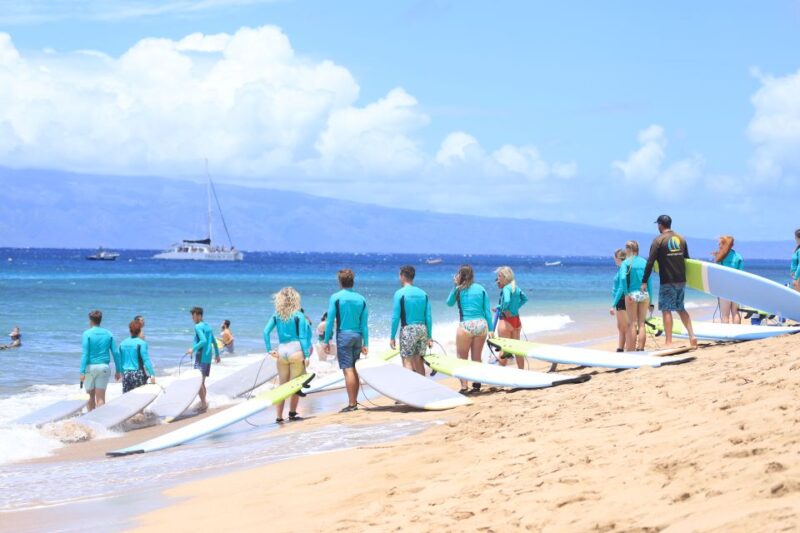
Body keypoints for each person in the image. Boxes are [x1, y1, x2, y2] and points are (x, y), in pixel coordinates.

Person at [641, 215, 698, 348]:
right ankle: (692, 336)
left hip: (667, 280)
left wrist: (644, 281)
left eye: (658, 224)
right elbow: (687, 260)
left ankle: (668, 342)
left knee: (666, 310)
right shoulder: (681, 239)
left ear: (660, 225)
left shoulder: (658, 240)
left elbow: (650, 262)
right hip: (681, 279)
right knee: (680, 308)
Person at [323, 269, 369, 413]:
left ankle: (351, 404)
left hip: (344, 335)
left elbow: (330, 321)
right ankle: (354, 402)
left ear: (340, 282)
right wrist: (366, 343)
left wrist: (326, 340)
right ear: (352, 281)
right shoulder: (361, 299)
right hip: (358, 335)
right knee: (353, 368)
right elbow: (364, 324)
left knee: (348, 369)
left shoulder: (336, 298)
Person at [264, 288, 312, 423]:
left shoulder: (277, 315)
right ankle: (292, 413)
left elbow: (265, 332)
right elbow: (303, 337)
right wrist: (307, 355)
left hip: (281, 351)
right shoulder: (299, 315)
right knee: (295, 384)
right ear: (295, 299)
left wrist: (269, 349)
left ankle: (279, 417)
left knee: (282, 386)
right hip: (296, 351)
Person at [446, 265, 493, 393]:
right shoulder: (481, 289)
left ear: (460, 275)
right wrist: (491, 329)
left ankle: (464, 386)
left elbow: (449, 303)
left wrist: (455, 286)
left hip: (466, 325)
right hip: (481, 324)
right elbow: (487, 311)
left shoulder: (459, 290)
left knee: (462, 357)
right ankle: (476, 384)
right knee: (476, 357)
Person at [389, 265, 433, 376]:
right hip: (422, 329)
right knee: (419, 361)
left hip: (408, 330)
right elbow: (428, 316)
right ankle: (423, 388)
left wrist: (392, 336)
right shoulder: (423, 294)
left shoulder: (400, 293)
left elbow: (395, 317)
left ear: (402, 276)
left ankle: (410, 389)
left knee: (407, 361)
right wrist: (429, 336)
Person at [613, 241, 653, 351]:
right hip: (644, 294)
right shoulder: (645, 262)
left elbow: (622, 279)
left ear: (628, 249)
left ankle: (631, 350)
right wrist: (651, 301)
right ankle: (641, 348)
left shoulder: (626, 263)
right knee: (641, 323)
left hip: (632, 294)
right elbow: (649, 282)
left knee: (632, 324)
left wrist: (626, 293)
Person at [80, 310, 121, 411]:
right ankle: (100, 422)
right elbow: (115, 353)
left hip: (90, 368)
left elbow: (85, 354)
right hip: (104, 368)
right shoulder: (108, 334)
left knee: (90, 398)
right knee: (101, 399)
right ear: (100, 320)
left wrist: (81, 371)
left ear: (90, 320)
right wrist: (118, 370)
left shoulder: (87, 334)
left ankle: (90, 422)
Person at [184, 307, 220, 411]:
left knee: (198, 382)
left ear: (199, 315)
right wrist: (217, 354)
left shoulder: (198, 327)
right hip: (208, 357)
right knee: (202, 382)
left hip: (201, 356)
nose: (192, 318)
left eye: (194, 316)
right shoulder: (207, 326)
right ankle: (204, 401)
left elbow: (203, 341)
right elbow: (213, 340)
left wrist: (192, 349)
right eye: (192, 316)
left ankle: (204, 403)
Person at [494, 266, 528, 369]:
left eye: (499, 276)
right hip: (516, 320)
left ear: (505, 277)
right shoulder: (515, 287)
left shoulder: (506, 288)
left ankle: (501, 375)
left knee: (504, 349)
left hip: (506, 320)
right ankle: (522, 371)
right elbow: (525, 299)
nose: (498, 278)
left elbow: (507, 301)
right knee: (517, 349)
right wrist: (515, 308)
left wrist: (502, 308)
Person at [713, 236, 744, 324]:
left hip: (724, 288)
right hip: (736, 287)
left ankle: (727, 335)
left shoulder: (720, 257)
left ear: (724, 244)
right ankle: (737, 334)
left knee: (725, 314)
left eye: (720, 244)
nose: (719, 246)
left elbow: (717, 274)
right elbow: (742, 275)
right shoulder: (739, 257)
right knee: (735, 312)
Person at [119, 320, 156, 392]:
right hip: (138, 374)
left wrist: (121, 373)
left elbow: (120, 361)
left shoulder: (122, 343)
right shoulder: (142, 343)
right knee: (138, 397)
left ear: (130, 330)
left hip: (126, 374)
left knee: (126, 397)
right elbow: (146, 360)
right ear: (140, 331)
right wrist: (152, 374)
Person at [608, 249, 629, 352]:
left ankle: (627, 348)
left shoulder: (622, 269)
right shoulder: (623, 268)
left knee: (625, 326)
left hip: (621, 299)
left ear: (618, 258)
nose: (614, 260)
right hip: (621, 299)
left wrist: (613, 304)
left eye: (614, 258)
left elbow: (621, 287)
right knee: (621, 326)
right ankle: (620, 348)